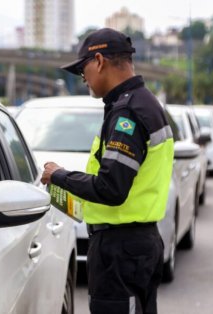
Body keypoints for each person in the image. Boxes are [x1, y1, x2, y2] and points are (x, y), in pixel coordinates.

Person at [40, 28, 174, 314]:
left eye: (83, 69)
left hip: (120, 250)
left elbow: (111, 188)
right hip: (138, 244)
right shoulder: (143, 103)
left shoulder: (127, 112)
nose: (83, 78)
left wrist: (59, 176)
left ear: (99, 61)